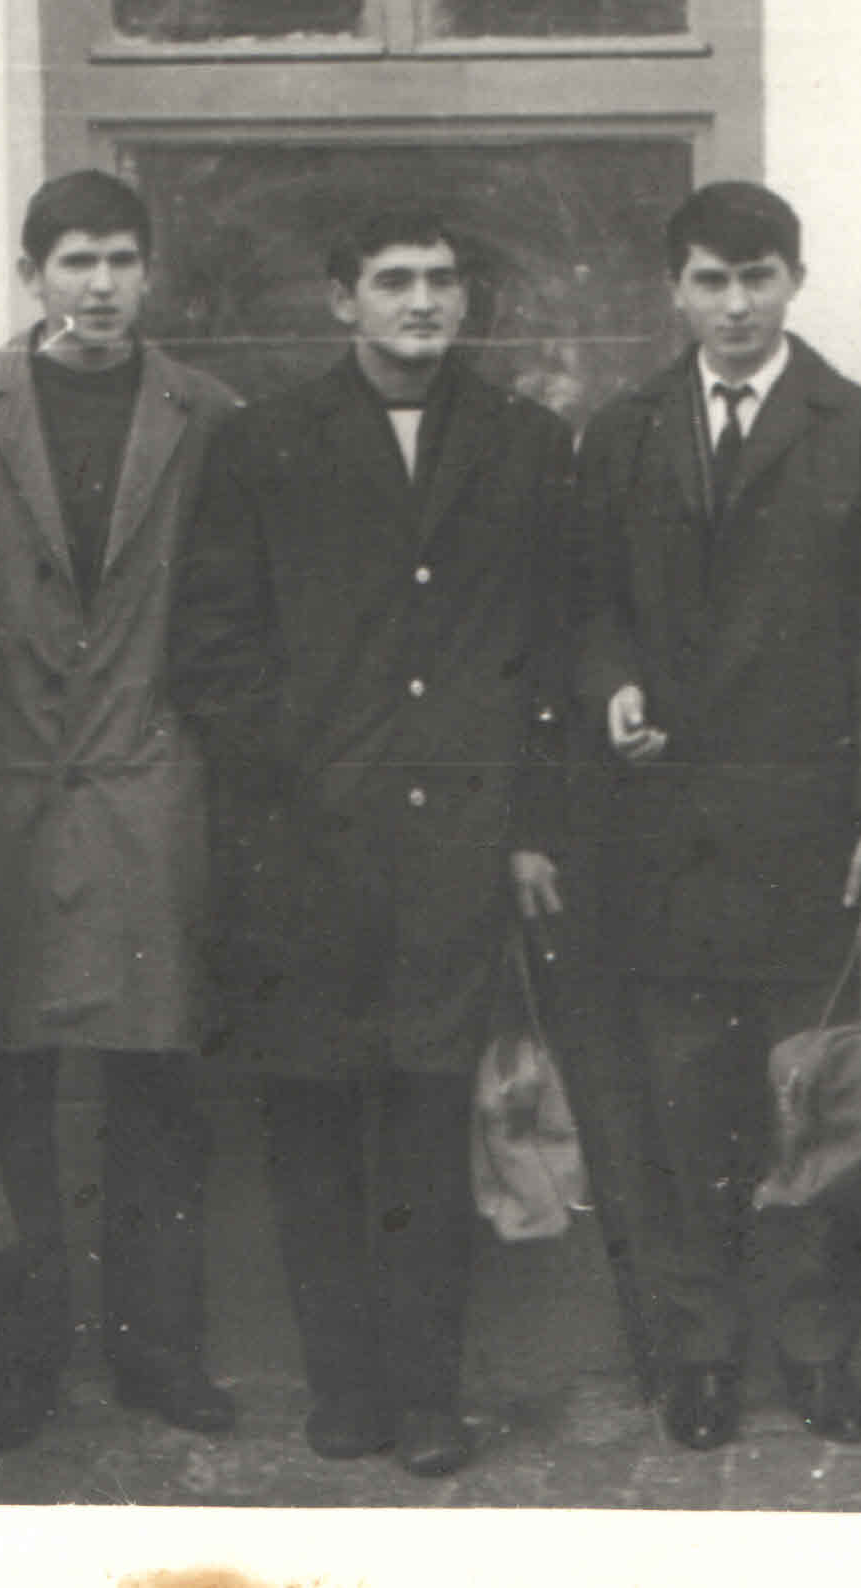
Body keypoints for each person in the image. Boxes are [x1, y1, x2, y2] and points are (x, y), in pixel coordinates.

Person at [167, 209, 575, 1480]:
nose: (421, 302)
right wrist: (295, 784)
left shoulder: (523, 442)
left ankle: (428, 1394)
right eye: (392, 281)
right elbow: (211, 649)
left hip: (455, 847)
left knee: (427, 1120)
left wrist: (524, 826)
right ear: (340, 300)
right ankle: (343, 1389)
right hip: (300, 852)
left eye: (441, 280)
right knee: (310, 1125)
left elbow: (550, 647)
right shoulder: (262, 444)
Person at [572, 180, 861, 1452]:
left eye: (757, 278)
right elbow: (588, 603)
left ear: (793, 281)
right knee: (685, 1108)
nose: (734, 307)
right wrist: (612, 685)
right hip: (666, 836)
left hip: (812, 834)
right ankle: (702, 1354)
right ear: (674, 290)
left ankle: (818, 1351)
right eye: (710, 282)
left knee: (815, 1100)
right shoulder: (622, 433)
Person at [0, 170, 243, 1452]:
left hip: (150, 789)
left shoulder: (205, 414)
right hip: (1, 799)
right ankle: (17, 1363)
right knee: (6, 1094)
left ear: (151, 272)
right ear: (31, 274)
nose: (100, 286)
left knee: (160, 1090)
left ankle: (162, 1355)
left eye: (120, 261)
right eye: (75, 262)